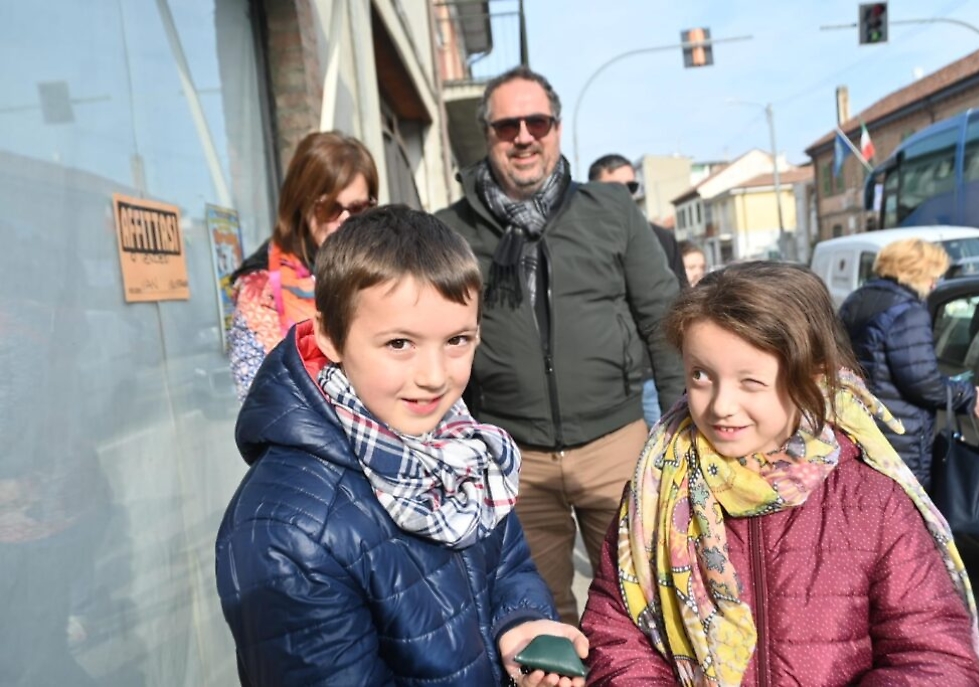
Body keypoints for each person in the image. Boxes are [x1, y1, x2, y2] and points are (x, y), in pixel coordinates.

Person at [215, 205, 588, 687]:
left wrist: (522, 623)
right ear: (329, 335)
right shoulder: (289, 532)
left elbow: (508, 563)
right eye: (399, 344)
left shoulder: (461, 442)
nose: (434, 378)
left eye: (457, 340)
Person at [581, 261, 979, 686]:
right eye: (700, 375)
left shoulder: (873, 502)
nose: (721, 405)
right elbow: (617, 627)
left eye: (750, 381)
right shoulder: (655, 491)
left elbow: (934, 655)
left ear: (811, 375)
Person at [436, 66, 684, 623]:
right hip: (511, 457)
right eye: (507, 126)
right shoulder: (450, 230)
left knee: (638, 605)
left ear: (557, 128)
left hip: (614, 444)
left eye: (537, 121)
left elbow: (663, 318)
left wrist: (677, 427)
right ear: (488, 135)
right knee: (539, 621)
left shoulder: (610, 210)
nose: (523, 135)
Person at [227, 130, 379, 400]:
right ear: (301, 204)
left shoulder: (384, 268)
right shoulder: (261, 289)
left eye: (357, 209)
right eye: (328, 208)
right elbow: (260, 400)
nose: (344, 220)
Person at [838, 238, 979, 489]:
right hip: (900, 434)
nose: (936, 282)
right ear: (913, 271)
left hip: (861, 425)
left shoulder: (857, 299)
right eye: (932, 275)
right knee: (905, 515)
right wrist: (967, 394)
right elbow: (922, 382)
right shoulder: (909, 311)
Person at [588, 153, 687, 428]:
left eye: (631, 187)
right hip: (610, 385)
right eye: (614, 188)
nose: (624, 194)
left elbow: (679, 302)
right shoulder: (580, 245)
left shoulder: (662, 238)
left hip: (657, 376)